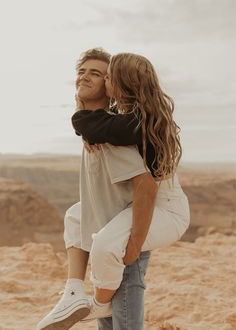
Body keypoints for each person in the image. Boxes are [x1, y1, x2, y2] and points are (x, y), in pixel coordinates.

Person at [36, 48, 153, 330]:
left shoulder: (111, 136)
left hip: (124, 239)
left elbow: (145, 185)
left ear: (110, 86)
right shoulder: (95, 131)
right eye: (82, 71)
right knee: (107, 323)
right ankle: (73, 292)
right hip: (104, 233)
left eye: (96, 73)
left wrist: (135, 244)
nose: (85, 77)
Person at [71, 52, 190, 311]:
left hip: (164, 208)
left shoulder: (136, 123)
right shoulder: (135, 116)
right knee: (75, 216)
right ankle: (75, 291)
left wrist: (136, 242)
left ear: (122, 85)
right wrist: (88, 132)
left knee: (108, 247)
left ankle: (99, 307)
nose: (105, 81)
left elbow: (91, 124)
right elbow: (96, 125)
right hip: (142, 203)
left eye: (108, 77)